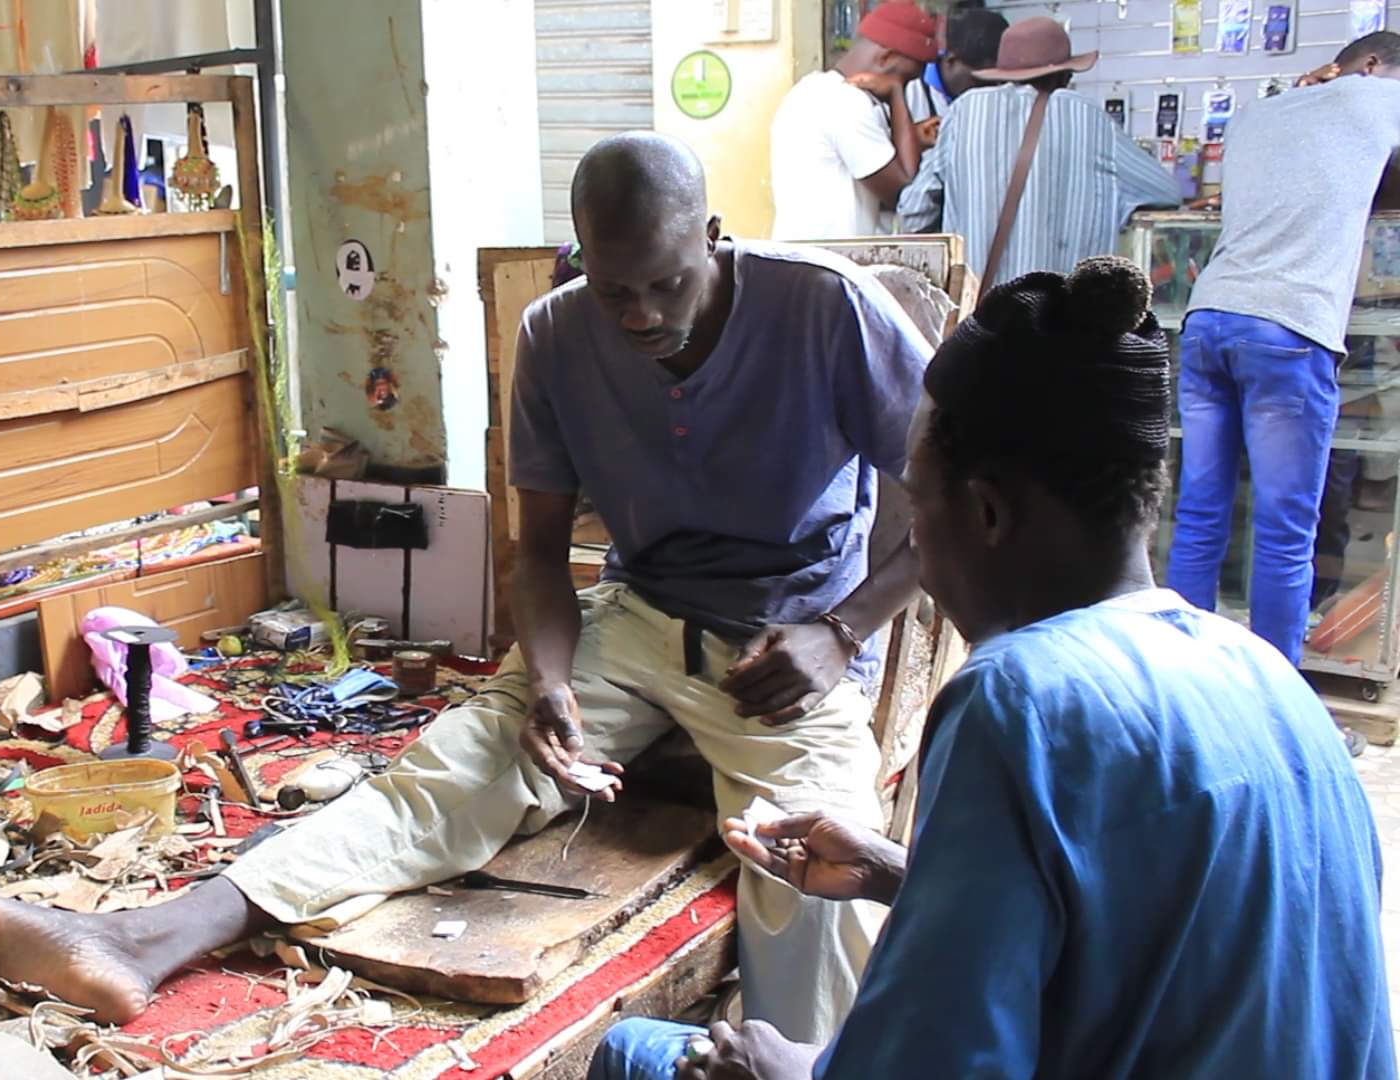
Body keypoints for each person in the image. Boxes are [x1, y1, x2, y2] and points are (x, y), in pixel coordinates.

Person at [0, 131, 933, 1045]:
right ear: (582, 257)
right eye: (615, 289)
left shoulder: (825, 307)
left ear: (712, 235)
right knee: (446, 773)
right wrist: (549, 683)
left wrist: (843, 633)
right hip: (637, 618)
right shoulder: (557, 334)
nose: (643, 315)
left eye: (667, 282)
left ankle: (806, 1062)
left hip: (784, 644)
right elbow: (538, 555)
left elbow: (969, 497)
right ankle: (137, 940)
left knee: (812, 877)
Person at [586, 258, 1395, 1080]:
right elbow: (1145, 928)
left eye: (918, 503)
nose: (916, 540)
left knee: (636, 1053)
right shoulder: (1267, 676)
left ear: (986, 511)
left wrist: (785, 1071)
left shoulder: (1016, 699)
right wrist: (904, 876)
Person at [1166, 32, 1400, 678]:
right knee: (1285, 531)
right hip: (1288, 329)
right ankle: (1274, 698)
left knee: (1199, 516)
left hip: (1210, 318)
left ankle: (1183, 680)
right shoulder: (1379, 97)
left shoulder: (1257, 112)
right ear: (1374, 67)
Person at [896, 18, 1179, 286]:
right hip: (1064, 314)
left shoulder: (965, 112)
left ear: (1002, 73)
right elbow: (1165, 192)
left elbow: (913, 213)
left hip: (981, 312)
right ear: (1066, 76)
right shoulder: (1088, 118)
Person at [770, 1, 937, 240]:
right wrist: (896, 94)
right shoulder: (844, 102)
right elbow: (906, 196)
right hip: (822, 258)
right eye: (906, 79)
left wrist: (913, 138)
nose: (905, 87)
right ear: (886, 58)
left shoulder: (813, 89)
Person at [903, 7, 1010, 122]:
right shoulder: (908, 96)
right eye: (979, 82)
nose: (988, 90)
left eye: (996, 83)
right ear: (951, 60)